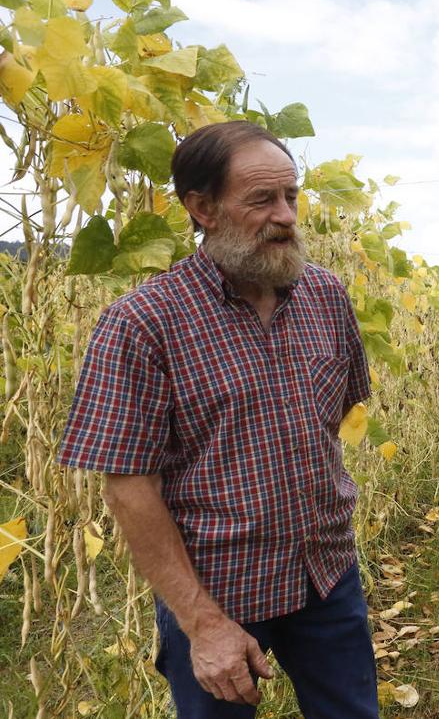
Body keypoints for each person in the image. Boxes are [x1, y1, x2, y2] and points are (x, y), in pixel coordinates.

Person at [58, 121, 378, 718]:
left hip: (326, 574)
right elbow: (129, 486)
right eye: (262, 200)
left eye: (291, 196)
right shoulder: (143, 323)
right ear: (201, 208)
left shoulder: (326, 296)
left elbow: (330, 419)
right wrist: (203, 623)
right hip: (217, 594)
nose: (285, 216)